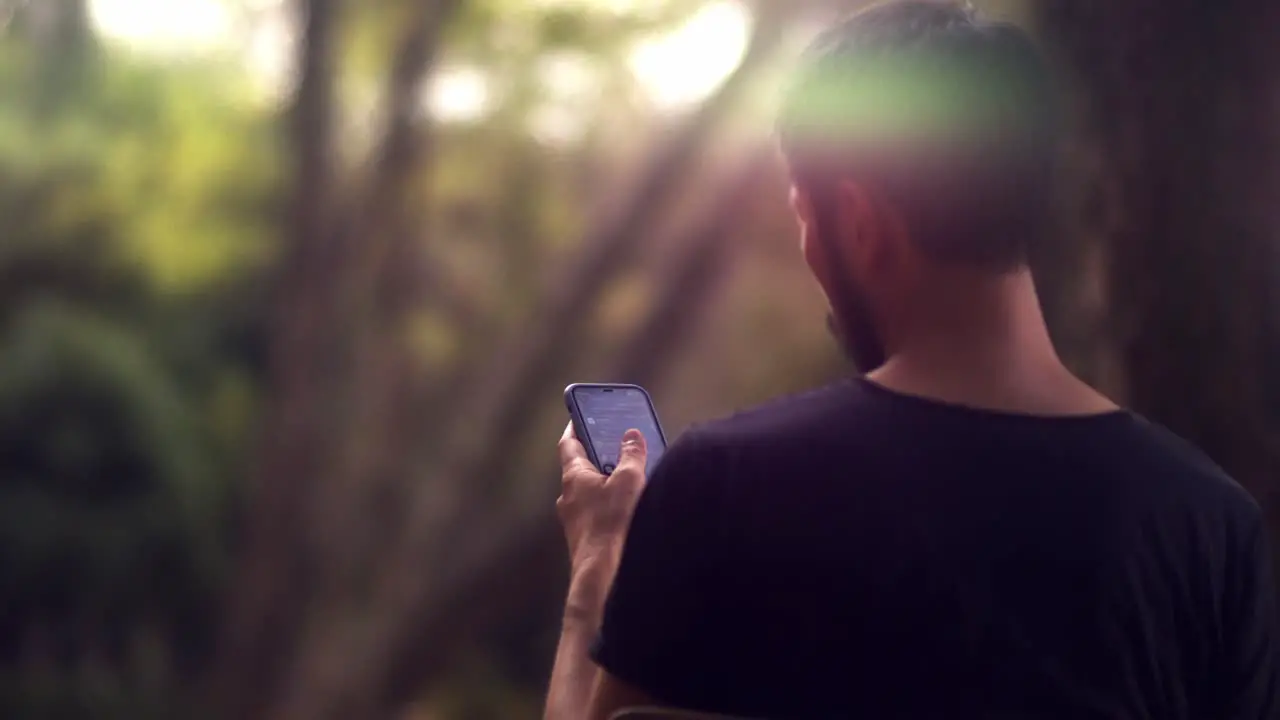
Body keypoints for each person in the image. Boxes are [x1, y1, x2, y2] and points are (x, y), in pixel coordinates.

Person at [544, 1, 1280, 718]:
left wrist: (595, 575)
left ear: (861, 224)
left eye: (805, 215)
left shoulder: (727, 488)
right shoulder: (1213, 529)